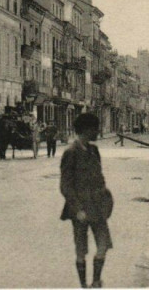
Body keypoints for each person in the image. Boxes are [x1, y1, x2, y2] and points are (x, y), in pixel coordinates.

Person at [60, 113, 113, 289]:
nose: (97, 132)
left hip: (97, 206)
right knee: (81, 249)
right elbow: (66, 186)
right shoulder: (71, 153)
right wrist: (77, 209)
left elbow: (100, 176)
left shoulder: (94, 150)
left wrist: (106, 199)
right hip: (81, 208)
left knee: (103, 245)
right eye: (95, 128)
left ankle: (96, 281)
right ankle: (84, 285)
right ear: (86, 130)